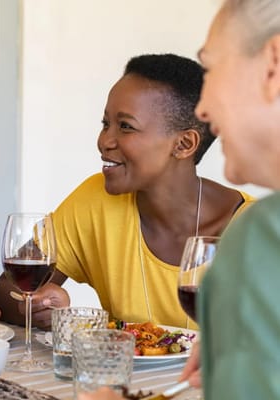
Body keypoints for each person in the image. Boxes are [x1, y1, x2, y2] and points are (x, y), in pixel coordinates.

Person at [81, 0, 280, 398]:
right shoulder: (260, 232)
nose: (204, 107)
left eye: (213, 69)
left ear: (272, 67)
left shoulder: (261, 235)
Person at [0, 53, 254, 331]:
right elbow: (6, 289)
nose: (104, 141)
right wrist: (38, 307)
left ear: (184, 144)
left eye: (126, 127)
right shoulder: (96, 200)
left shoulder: (254, 232)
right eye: (106, 123)